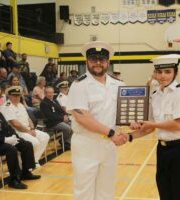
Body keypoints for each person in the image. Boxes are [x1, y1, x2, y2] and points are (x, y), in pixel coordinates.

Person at [66, 41, 128, 200]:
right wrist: (112, 133)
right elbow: (82, 118)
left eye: (102, 59)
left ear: (108, 62)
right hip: (87, 144)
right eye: (94, 59)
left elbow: (123, 113)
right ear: (87, 61)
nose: (98, 63)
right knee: (84, 191)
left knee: (106, 190)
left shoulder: (118, 84)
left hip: (108, 145)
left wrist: (133, 123)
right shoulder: (79, 85)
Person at [128, 54, 180, 200]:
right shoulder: (156, 95)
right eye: (159, 72)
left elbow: (178, 124)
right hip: (162, 150)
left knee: (179, 194)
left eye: (168, 72)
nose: (163, 76)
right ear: (155, 74)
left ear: (176, 72)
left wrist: (153, 124)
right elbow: (149, 127)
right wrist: (130, 135)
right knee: (164, 191)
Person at [0, 91, 41, 189]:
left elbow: (8, 127)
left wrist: (14, 137)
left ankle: (26, 172)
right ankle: (14, 179)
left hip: (5, 140)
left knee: (26, 144)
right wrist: (5, 140)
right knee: (11, 149)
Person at [0, 86, 50, 167]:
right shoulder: (7, 106)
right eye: (15, 96)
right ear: (9, 96)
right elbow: (15, 124)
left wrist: (33, 128)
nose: (17, 97)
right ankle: (25, 164)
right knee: (35, 142)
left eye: (18, 95)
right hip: (17, 132)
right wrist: (28, 131)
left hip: (27, 129)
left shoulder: (20, 105)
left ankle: (34, 161)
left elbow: (28, 118)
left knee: (45, 137)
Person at [40, 86, 72, 150]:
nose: (51, 94)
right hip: (52, 123)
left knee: (73, 125)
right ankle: (63, 141)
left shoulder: (55, 100)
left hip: (59, 120)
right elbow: (50, 116)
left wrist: (65, 115)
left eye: (52, 92)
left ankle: (66, 142)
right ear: (45, 93)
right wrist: (62, 118)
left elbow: (61, 110)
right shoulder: (44, 103)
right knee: (67, 128)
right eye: (49, 93)